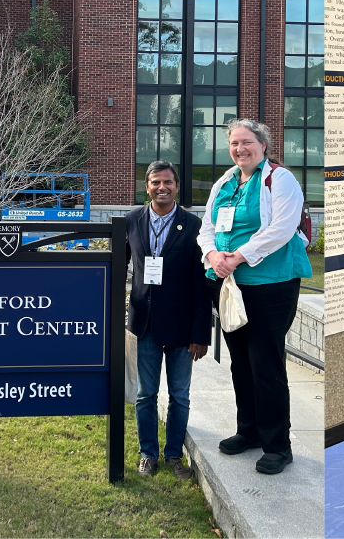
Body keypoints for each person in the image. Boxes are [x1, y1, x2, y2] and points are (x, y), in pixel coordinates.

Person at [197, 119, 313, 475]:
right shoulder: (225, 182)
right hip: (230, 284)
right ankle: (249, 432)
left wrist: (238, 256)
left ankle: (278, 445)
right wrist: (213, 256)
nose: (239, 149)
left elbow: (280, 228)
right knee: (241, 363)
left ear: (263, 145)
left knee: (266, 363)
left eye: (247, 142)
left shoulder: (280, 179)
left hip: (270, 284)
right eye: (234, 143)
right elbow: (208, 227)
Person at [125, 160, 211, 479]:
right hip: (144, 325)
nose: (162, 187)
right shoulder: (132, 221)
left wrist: (201, 333)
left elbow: (202, 285)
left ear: (177, 186)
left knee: (180, 395)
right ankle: (148, 453)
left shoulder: (194, 226)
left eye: (168, 183)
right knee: (146, 393)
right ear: (146, 186)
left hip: (183, 329)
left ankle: (174, 454)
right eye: (155, 182)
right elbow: (116, 266)